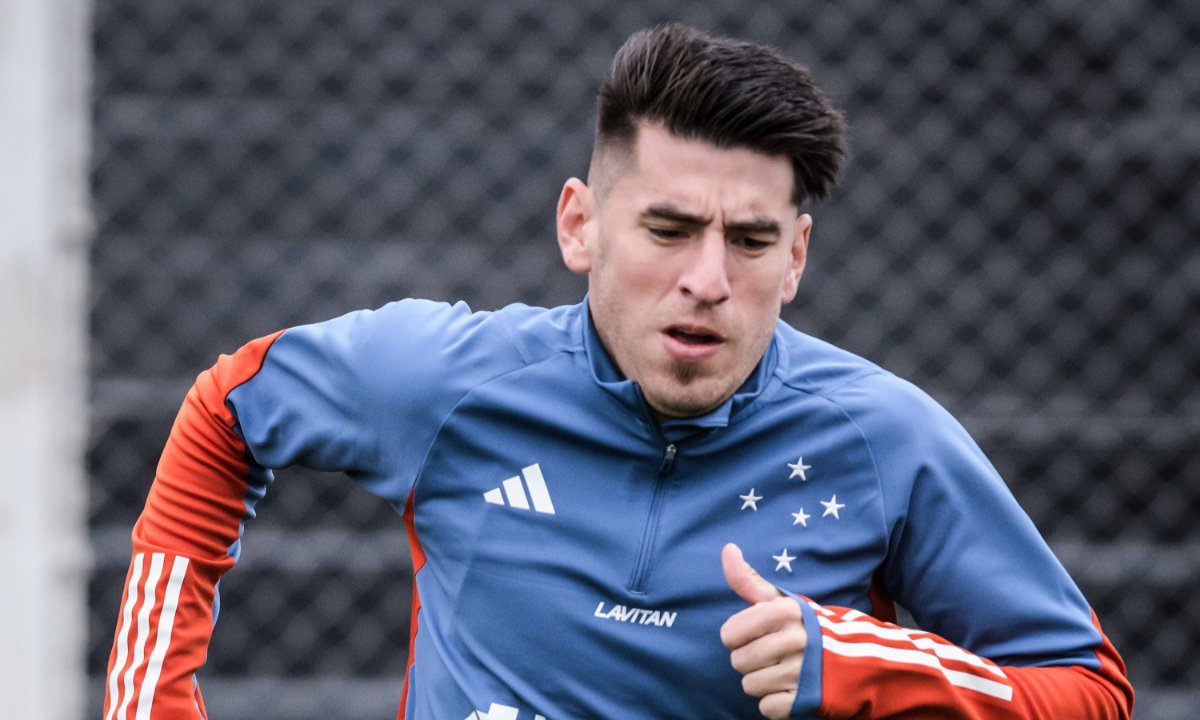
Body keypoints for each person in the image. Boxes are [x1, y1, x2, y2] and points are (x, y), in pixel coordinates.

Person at [102, 22, 1133, 720]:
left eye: (751, 241)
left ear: (800, 258)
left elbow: (1090, 693)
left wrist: (873, 669)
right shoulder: (449, 383)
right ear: (579, 226)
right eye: (670, 229)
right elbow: (229, 408)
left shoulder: (882, 442)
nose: (708, 279)